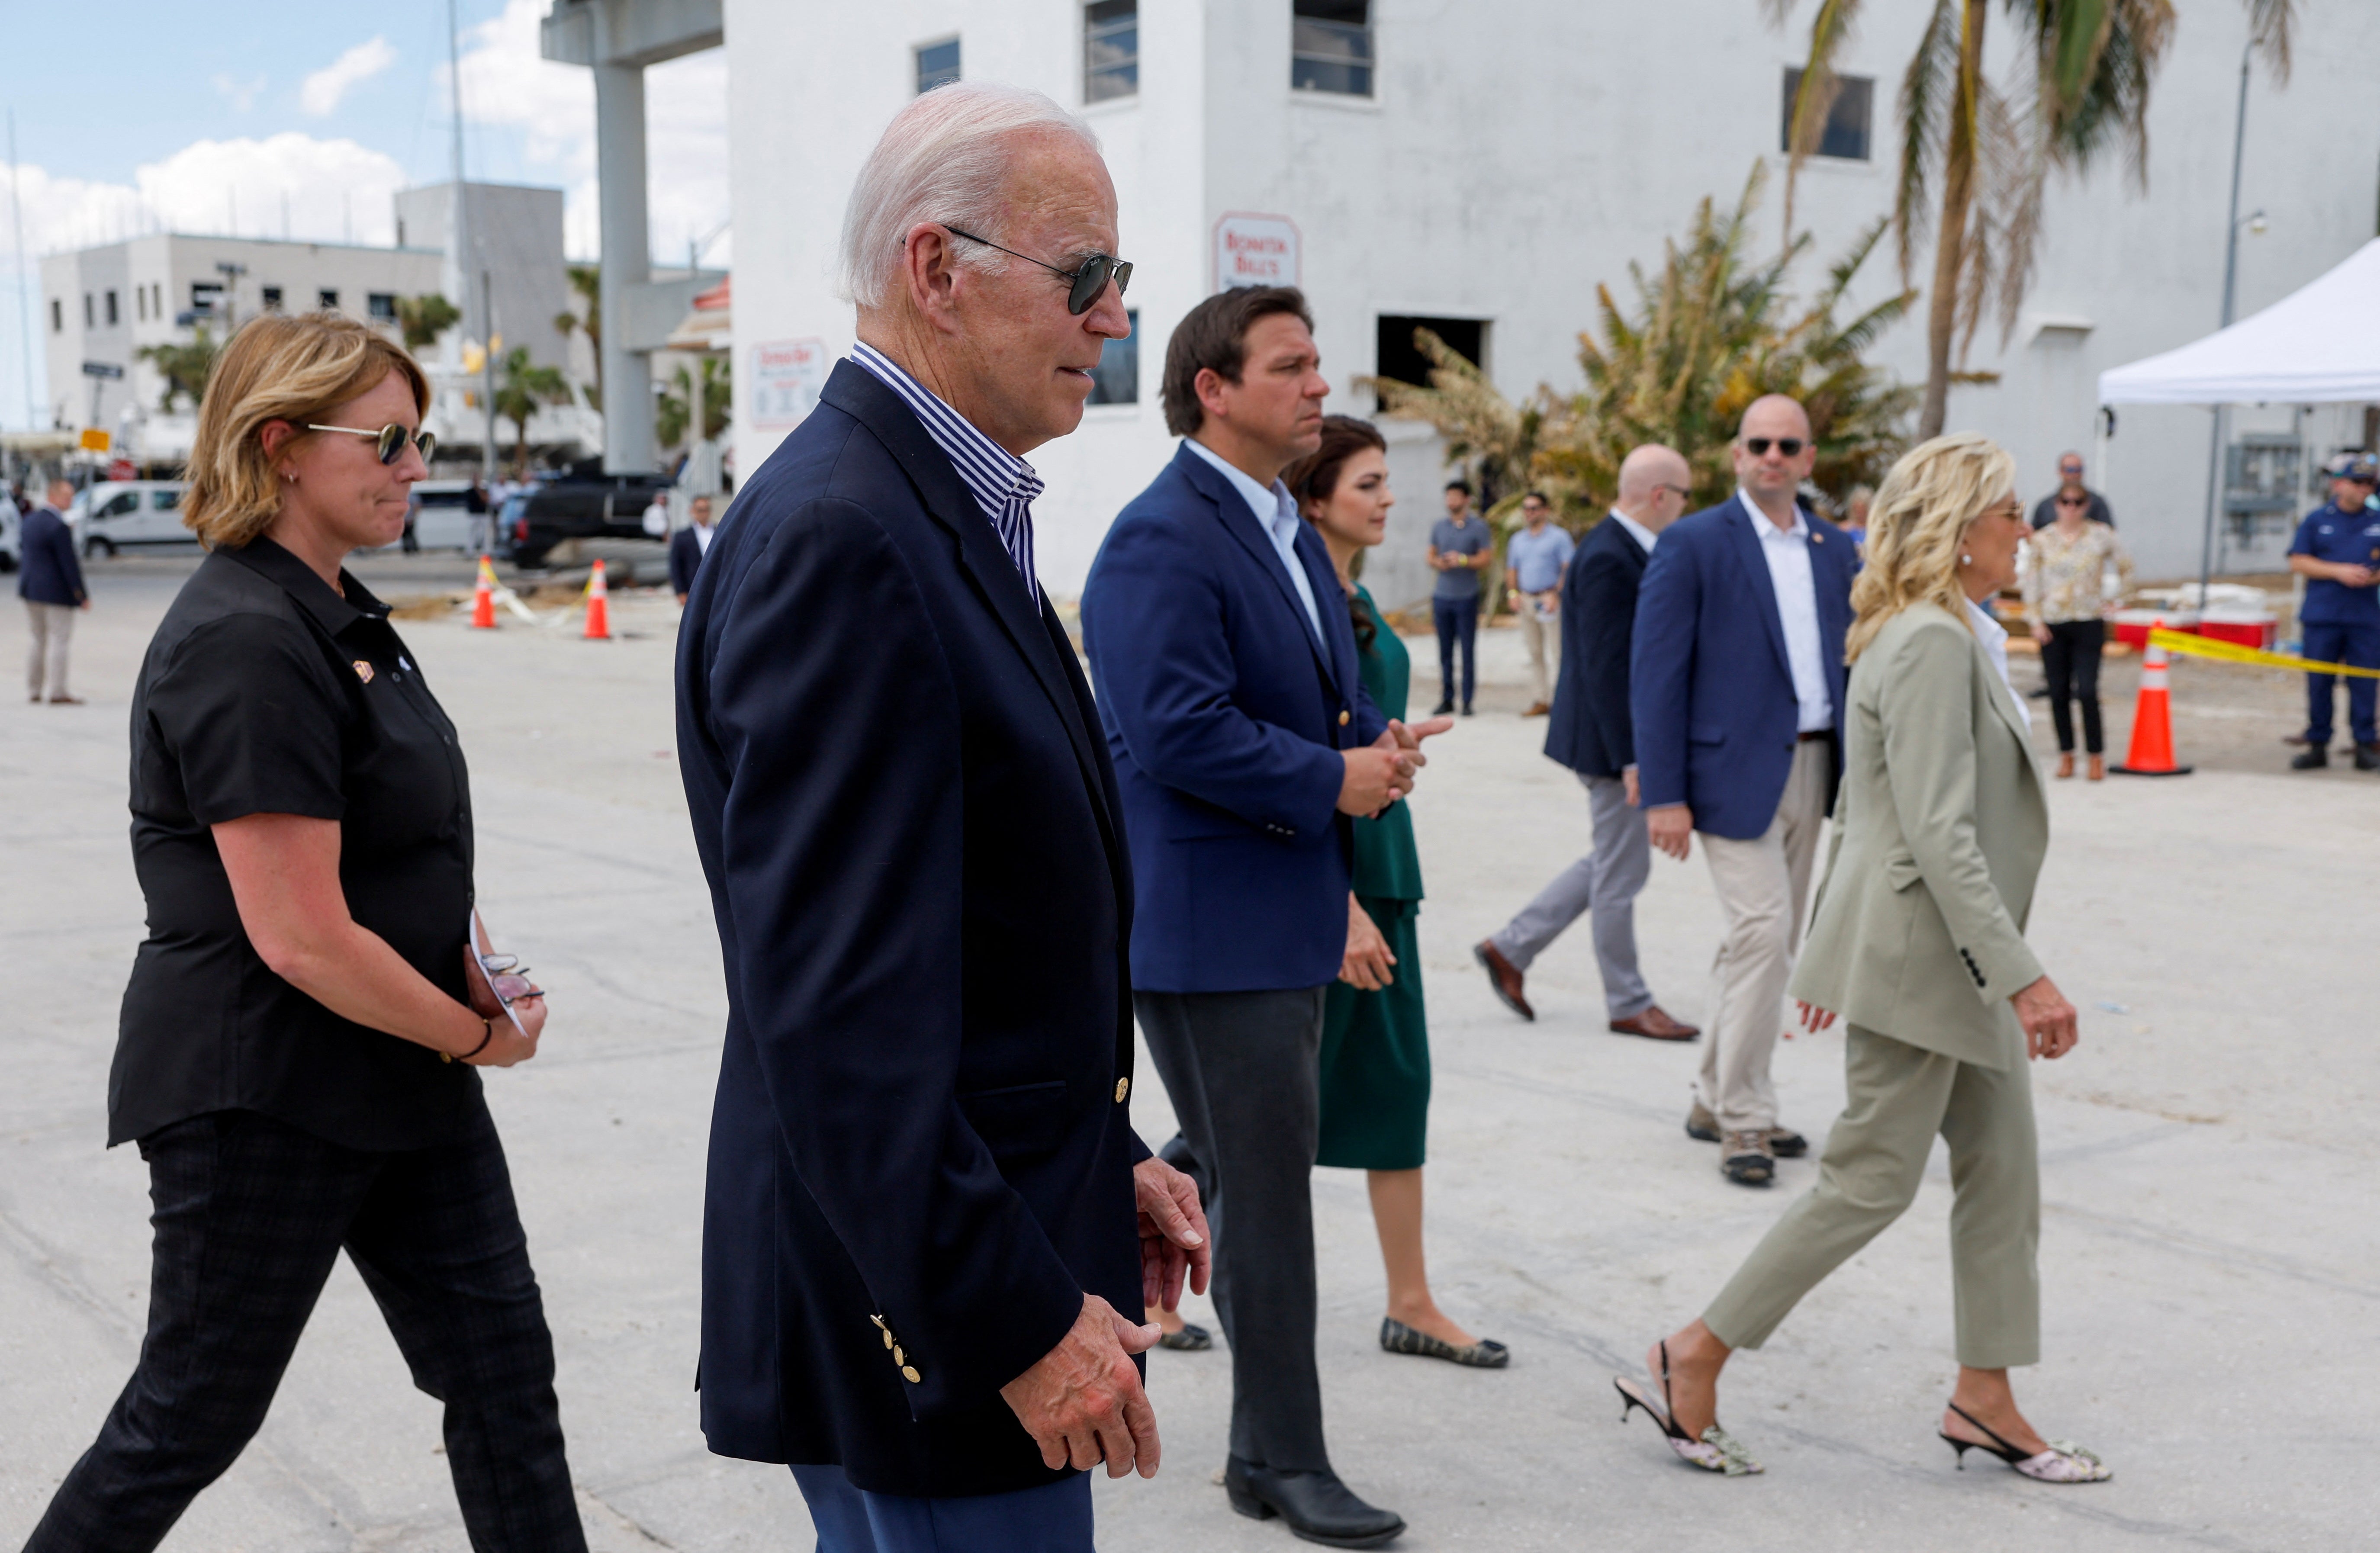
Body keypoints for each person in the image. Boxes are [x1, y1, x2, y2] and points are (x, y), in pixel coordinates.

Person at [675, 85, 1209, 1553]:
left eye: (1120, 280)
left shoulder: (931, 509)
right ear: (936, 270)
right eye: (1085, 275)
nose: (1113, 317)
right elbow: (841, 1016)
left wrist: (1104, 1162)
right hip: (932, 1322)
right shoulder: (850, 537)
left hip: (963, 1254)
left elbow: (979, 935)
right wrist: (1016, 1317)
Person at [22, 312, 584, 1551]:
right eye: (387, 439)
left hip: (401, 1069)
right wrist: (475, 1037)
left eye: (419, 438)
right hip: (268, 1087)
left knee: (502, 1378)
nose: (415, 465)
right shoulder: (242, 638)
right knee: (193, 1411)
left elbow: (408, 837)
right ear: (280, 443)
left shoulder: (341, 616)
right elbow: (301, 936)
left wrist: (480, 973)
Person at [1617, 431, 2107, 1487]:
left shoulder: (1950, 627)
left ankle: (1984, 1392)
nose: (2022, 528)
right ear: (1956, 526)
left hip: (1940, 959)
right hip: (1933, 961)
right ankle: (1687, 1354)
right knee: (1868, 1181)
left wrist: (1833, 950)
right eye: (2006, 511)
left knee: (2002, 1173)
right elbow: (1935, 832)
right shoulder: (1928, 640)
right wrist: (2023, 973)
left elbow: (1858, 807)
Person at [1082, 284, 1446, 1550]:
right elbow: (1167, 725)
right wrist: (1326, 777)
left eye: (1315, 361)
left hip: (1281, 908)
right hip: (1207, 922)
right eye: (1289, 365)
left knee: (1247, 1173)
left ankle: (1249, 1441)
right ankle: (1287, 1456)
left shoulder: (1284, 531)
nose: (1315, 385)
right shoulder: (1159, 537)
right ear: (1212, 388)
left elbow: (1312, 700)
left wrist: (1371, 744)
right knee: (1269, 1193)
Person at [1287, 414, 1507, 1373]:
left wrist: (1394, 742)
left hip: (1385, 867)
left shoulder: (1360, 594)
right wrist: (1332, 907)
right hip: (1328, 881)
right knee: (1263, 1110)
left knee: (1392, 1084)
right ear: (1313, 495)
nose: (1388, 499)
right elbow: (1289, 759)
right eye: (1367, 484)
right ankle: (1154, 1285)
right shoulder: (1292, 597)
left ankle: (1410, 1298)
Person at [1631, 395, 1856, 1188]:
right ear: (1735, 455)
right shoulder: (1694, 543)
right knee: (1765, 928)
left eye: (1786, 444)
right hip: (1725, 774)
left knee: (1761, 939)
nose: (1771, 454)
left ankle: (1708, 1093)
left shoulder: (1836, 548)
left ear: (1807, 456)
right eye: (1757, 442)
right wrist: (1664, 793)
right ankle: (1746, 1115)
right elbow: (1656, 675)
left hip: (1817, 764)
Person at [1476, 445, 1700, 1042]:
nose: (1684, 509)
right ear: (1660, 496)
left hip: (1610, 740)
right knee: (1622, 875)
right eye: (1684, 497)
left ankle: (1511, 946)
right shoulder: (1609, 557)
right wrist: (1635, 757)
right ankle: (1628, 1000)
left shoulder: (1619, 548)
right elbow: (1606, 668)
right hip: (1610, 746)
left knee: (1609, 861)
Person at [2021, 482, 2133, 781]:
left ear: (2086, 505)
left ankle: (2095, 755)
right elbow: (2030, 580)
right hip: (2053, 622)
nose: (2071, 508)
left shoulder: (2101, 535)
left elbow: (2126, 566)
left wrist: (2118, 601)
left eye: (2077, 502)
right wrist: (2034, 620)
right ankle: (2066, 754)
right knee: (2058, 692)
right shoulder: (2043, 540)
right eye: (2065, 501)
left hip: (2088, 621)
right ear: (2057, 504)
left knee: (2087, 690)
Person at [2286, 453, 2380, 772]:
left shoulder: (2376, 521)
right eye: (2358, 482)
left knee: (2364, 683)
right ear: (2340, 484)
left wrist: (2371, 576)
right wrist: (2338, 571)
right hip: (2323, 616)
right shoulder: (2317, 519)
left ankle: (2365, 743)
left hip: (2364, 618)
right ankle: (2318, 743)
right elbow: (2298, 561)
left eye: (2370, 484)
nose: (2364, 489)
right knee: (2319, 682)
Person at [20, 476, 89, 704]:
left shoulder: (30, 521)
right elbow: (69, 565)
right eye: (66, 496)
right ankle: (58, 691)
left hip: (31, 590)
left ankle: (33, 690)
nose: (70, 500)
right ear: (53, 496)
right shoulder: (59, 526)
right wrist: (81, 595)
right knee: (60, 640)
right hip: (56, 593)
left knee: (37, 639)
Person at [1504, 490, 1573, 716]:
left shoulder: (1559, 537)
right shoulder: (1518, 540)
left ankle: (1564, 701)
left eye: (1534, 508)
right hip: (1527, 599)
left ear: (1545, 511)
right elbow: (1512, 569)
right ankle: (1541, 699)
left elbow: (1568, 568)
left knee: (1557, 652)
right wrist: (1513, 594)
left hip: (1549, 599)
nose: (1529, 513)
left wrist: (1556, 594)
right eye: (1526, 508)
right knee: (1535, 652)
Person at [1425, 479, 1491, 715]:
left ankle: (1467, 701)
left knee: (1467, 650)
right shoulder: (1439, 526)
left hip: (1467, 597)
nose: (1451, 501)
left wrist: (1462, 560)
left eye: (1455, 496)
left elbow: (1485, 559)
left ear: (1466, 500)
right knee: (1444, 651)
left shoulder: (1479, 528)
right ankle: (1447, 698)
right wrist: (1439, 562)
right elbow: (1430, 556)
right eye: (1448, 496)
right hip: (1442, 596)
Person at [2028, 450, 2113, 530]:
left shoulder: (2097, 504)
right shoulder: (2045, 507)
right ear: (2061, 472)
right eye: (2070, 470)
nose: (2072, 508)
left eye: (2078, 470)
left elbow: (2108, 533)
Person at [669, 492, 716, 604]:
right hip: (693, 587)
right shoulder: (682, 537)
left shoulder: (719, 531)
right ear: (693, 511)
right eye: (700, 510)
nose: (703, 514)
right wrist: (681, 591)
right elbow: (676, 566)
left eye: (706, 510)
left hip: (716, 586)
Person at [1840, 484, 1873, 550]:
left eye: (1863, 510)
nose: (1859, 514)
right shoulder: (1844, 529)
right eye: (1856, 510)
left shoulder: (1875, 529)